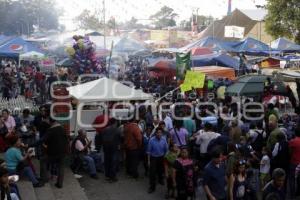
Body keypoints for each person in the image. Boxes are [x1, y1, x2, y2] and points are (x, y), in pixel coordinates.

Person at [43, 118, 68, 188]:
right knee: (61, 167)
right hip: (63, 152)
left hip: (53, 153)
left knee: (43, 161)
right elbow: (66, 139)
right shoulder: (62, 129)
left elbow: (45, 141)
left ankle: (45, 179)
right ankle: (60, 184)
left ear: (51, 122)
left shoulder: (51, 130)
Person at [147, 128, 168, 194]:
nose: (159, 134)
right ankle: (152, 187)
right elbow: (148, 152)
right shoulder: (151, 140)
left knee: (160, 170)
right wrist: (148, 161)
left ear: (162, 133)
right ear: (155, 133)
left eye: (160, 132)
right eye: (157, 133)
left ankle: (160, 180)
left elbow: (166, 150)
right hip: (153, 158)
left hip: (161, 157)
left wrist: (165, 158)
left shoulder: (164, 139)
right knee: (152, 173)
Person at [288, 127, 300, 199]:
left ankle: (292, 195)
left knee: (292, 179)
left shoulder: (292, 141)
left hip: (294, 162)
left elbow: (289, 152)